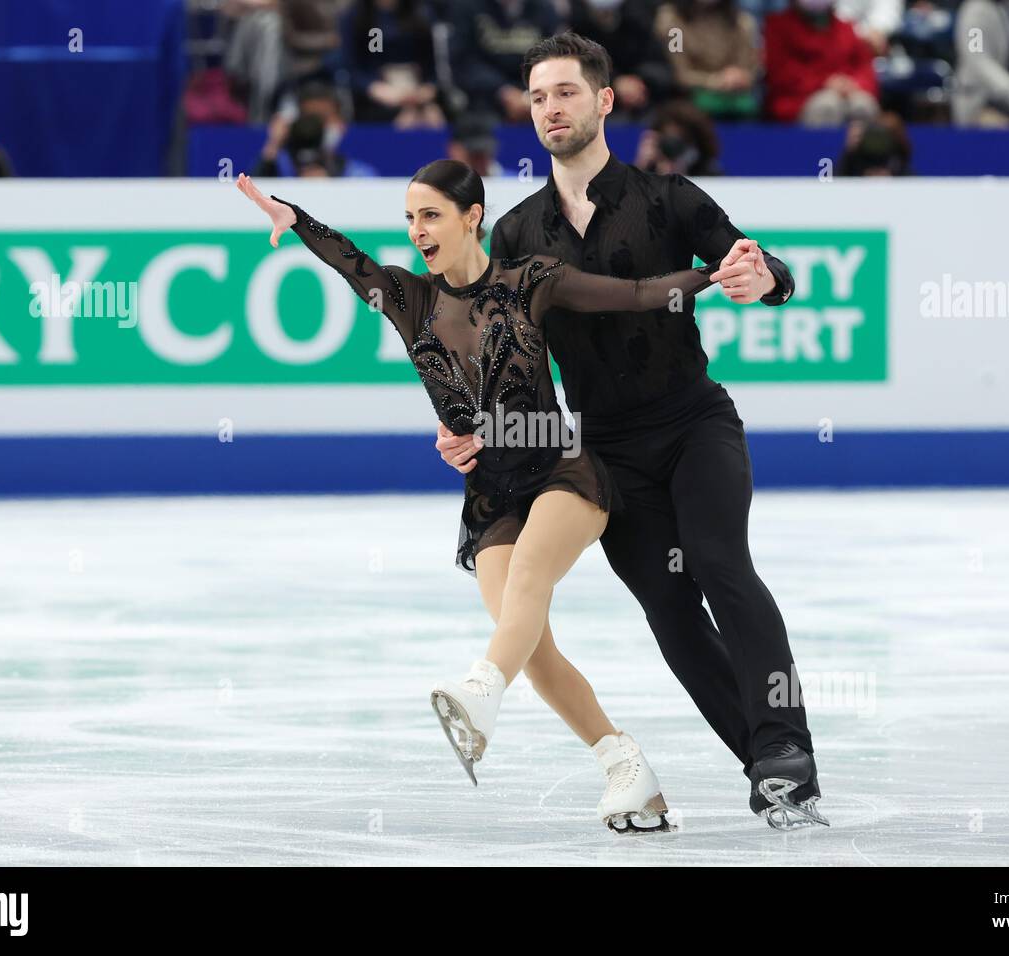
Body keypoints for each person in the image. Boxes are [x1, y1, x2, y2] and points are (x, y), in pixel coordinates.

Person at [235, 163, 728, 833]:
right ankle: (627, 769)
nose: (416, 232)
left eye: (430, 215)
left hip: (564, 472)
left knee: (526, 579)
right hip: (491, 495)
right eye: (409, 218)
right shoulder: (408, 299)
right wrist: (297, 221)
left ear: (472, 216)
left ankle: (479, 691)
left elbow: (639, 293)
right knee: (530, 644)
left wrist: (717, 272)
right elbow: (350, 263)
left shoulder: (531, 280)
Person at [433, 32, 827, 830]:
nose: (551, 108)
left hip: (694, 425)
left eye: (567, 92)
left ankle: (786, 749)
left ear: (604, 101)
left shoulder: (671, 199)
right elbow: (494, 355)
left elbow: (763, 267)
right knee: (670, 611)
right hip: (605, 452)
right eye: (539, 96)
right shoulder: (514, 235)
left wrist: (765, 277)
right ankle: (763, 764)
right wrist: (474, 427)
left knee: (719, 561)